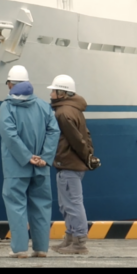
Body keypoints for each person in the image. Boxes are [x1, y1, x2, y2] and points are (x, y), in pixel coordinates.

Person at [0, 65, 60, 258]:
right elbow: (54, 132)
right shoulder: (43, 106)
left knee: (16, 205)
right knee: (41, 206)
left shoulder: (7, 107)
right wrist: (45, 157)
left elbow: (9, 134)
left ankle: (20, 249)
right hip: (41, 167)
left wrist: (27, 157)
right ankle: (41, 248)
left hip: (16, 167)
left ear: (10, 84)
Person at [48, 74, 93, 255]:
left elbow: (76, 140)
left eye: (53, 91)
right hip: (72, 164)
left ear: (62, 93)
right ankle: (70, 238)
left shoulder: (63, 113)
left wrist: (86, 156)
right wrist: (89, 155)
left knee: (72, 204)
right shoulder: (75, 110)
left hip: (68, 164)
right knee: (66, 204)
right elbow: (85, 135)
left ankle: (79, 242)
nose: (51, 94)